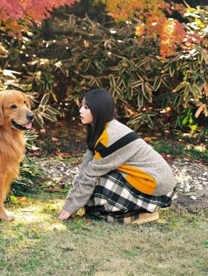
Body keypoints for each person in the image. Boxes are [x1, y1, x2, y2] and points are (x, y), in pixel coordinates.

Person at [58, 88, 175, 224]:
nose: (80, 111)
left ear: (99, 110)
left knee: (101, 183)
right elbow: (85, 168)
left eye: (86, 107)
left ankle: (142, 214)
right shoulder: (100, 130)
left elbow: (90, 175)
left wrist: (71, 208)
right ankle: (134, 212)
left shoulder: (111, 136)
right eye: (81, 106)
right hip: (145, 181)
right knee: (94, 195)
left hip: (156, 186)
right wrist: (70, 205)